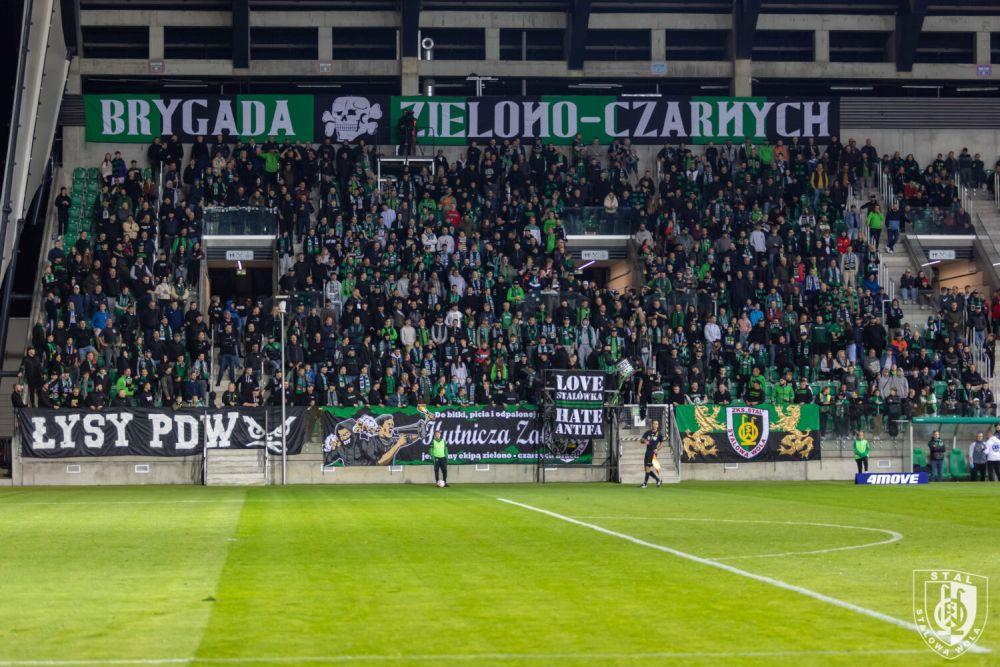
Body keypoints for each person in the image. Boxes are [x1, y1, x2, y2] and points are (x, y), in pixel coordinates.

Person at [640, 418, 664, 488]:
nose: (655, 425)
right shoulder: (648, 432)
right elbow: (641, 440)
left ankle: (645, 483)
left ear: (658, 426)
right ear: (652, 424)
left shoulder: (659, 434)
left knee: (648, 468)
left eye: (656, 424)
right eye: (654, 424)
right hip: (647, 452)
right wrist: (644, 441)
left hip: (653, 453)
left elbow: (662, 444)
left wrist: (657, 449)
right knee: (646, 469)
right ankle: (658, 480)